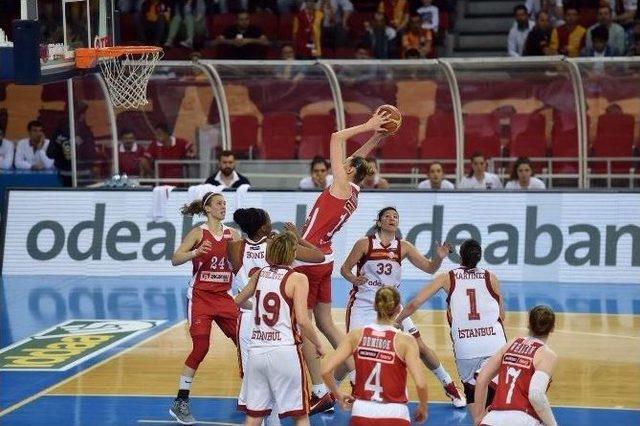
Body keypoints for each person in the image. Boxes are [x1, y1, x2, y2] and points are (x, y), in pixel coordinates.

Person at [295, 109, 393, 413]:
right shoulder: (353, 190)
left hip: (310, 259)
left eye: (347, 164)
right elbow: (357, 158)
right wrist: (375, 137)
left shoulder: (340, 184)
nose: (345, 161)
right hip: (325, 257)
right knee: (326, 322)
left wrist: (368, 125)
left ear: (348, 171)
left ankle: (319, 390)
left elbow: (336, 138)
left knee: (305, 327)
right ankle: (356, 374)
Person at [340, 207, 466, 407]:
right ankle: (339, 392)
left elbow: (429, 268)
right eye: (387, 216)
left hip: (392, 308)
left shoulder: (403, 246)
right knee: (352, 353)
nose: (392, 219)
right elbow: (344, 269)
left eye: (395, 216)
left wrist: (439, 258)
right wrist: (355, 279)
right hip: (364, 305)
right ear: (379, 222)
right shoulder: (364, 244)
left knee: (421, 347)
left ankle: (450, 386)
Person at [228, 208, 324, 422]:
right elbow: (319, 256)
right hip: (282, 338)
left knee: (254, 401)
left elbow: (235, 298)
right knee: (298, 411)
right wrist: (297, 239)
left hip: (251, 326)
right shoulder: (281, 253)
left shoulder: (235, 248)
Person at [396, 239, 507, 417]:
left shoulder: (447, 277)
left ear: (460, 256)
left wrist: (397, 320)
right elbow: (501, 315)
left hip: (466, 346)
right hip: (494, 343)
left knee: (471, 394)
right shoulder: (491, 277)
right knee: (493, 396)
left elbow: (415, 303)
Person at [169, 192, 241, 424]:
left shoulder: (234, 234)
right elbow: (175, 258)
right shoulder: (199, 233)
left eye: (225, 203)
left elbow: (242, 263)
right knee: (200, 348)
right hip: (200, 297)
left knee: (245, 340)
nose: (223, 206)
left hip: (224, 296)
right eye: (219, 203)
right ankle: (181, 402)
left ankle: (253, 391)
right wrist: (195, 252)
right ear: (207, 209)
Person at [321, 286, 429, 425]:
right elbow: (420, 384)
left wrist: (338, 395)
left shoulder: (356, 335)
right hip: (395, 412)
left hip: (362, 411)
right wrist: (423, 407)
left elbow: (325, 371)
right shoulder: (406, 341)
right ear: (398, 309)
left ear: (374, 306)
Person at [472, 306, 558, 426]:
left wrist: (478, 417)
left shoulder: (512, 343)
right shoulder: (547, 355)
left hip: (492, 419)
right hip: (524, 419)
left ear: (529, 324)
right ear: (552, 328)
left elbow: (482, 378)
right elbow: (536, 395)